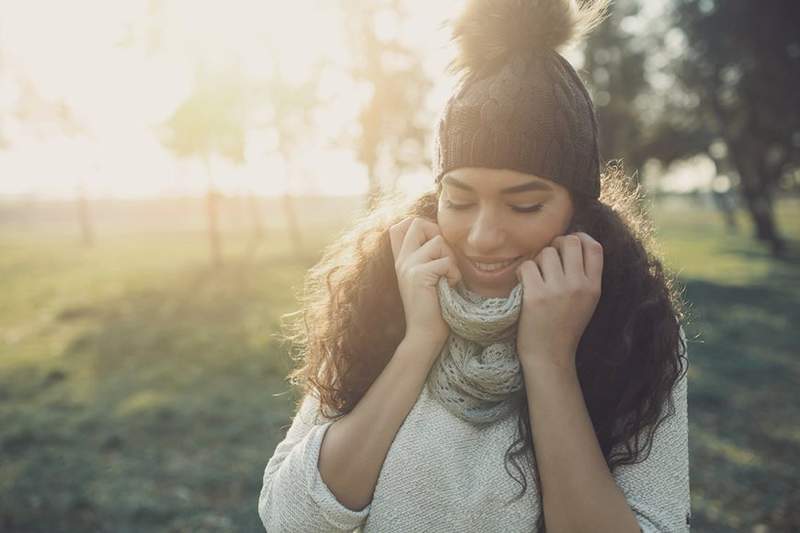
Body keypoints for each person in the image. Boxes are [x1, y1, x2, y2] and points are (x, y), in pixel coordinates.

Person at [258, 0, 691, 531]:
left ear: (579, 213)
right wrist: (417, 343)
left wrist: (549, 360)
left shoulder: (633, 327)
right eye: (460, 201)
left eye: (524, 206)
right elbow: (288, 519)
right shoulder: (383, 294)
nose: (483, 237)